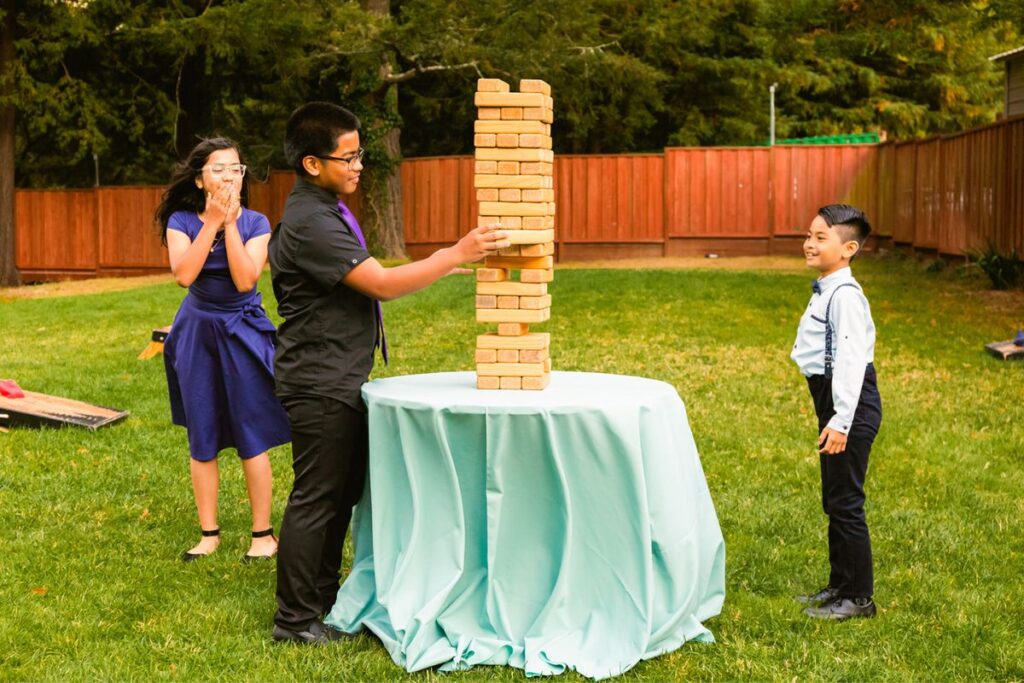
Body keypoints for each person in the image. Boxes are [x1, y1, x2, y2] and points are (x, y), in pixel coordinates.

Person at [268, 102, 508, 644]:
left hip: (338, 371)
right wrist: (456, 254)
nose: (358, 165)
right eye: (347, 157)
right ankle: (294, 620)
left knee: (341, 492)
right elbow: (380, 283)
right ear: (311, 163)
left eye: (359, 154)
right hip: (319, 377)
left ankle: (322, 599)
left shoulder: (323, 209)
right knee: (318, 495)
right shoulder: (311, 222)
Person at [156, 137, 291, 563]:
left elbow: (246, 279)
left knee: (251, 432)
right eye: (219, 169)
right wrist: (211, 223)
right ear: (199, 179)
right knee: (204, 433)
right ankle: (209, 534)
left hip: (242, 330)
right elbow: (185, 275)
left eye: (236, 168)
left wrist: (230, 223)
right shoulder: (181, 220)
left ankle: (263, 535)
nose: (230, 175)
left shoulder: (256, 222)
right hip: (196, 333)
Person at [791, 203, 883, 620]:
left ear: (848, 249)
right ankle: (839, 586)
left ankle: (859, 599)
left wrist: (840, 420)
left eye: (820, 237)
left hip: (848, 403)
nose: (810, 243)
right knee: (835, 499)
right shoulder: (829, 288)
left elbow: (850, 360)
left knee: (846, 503)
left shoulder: (844, 297)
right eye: (809, 235)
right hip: (833, 400)